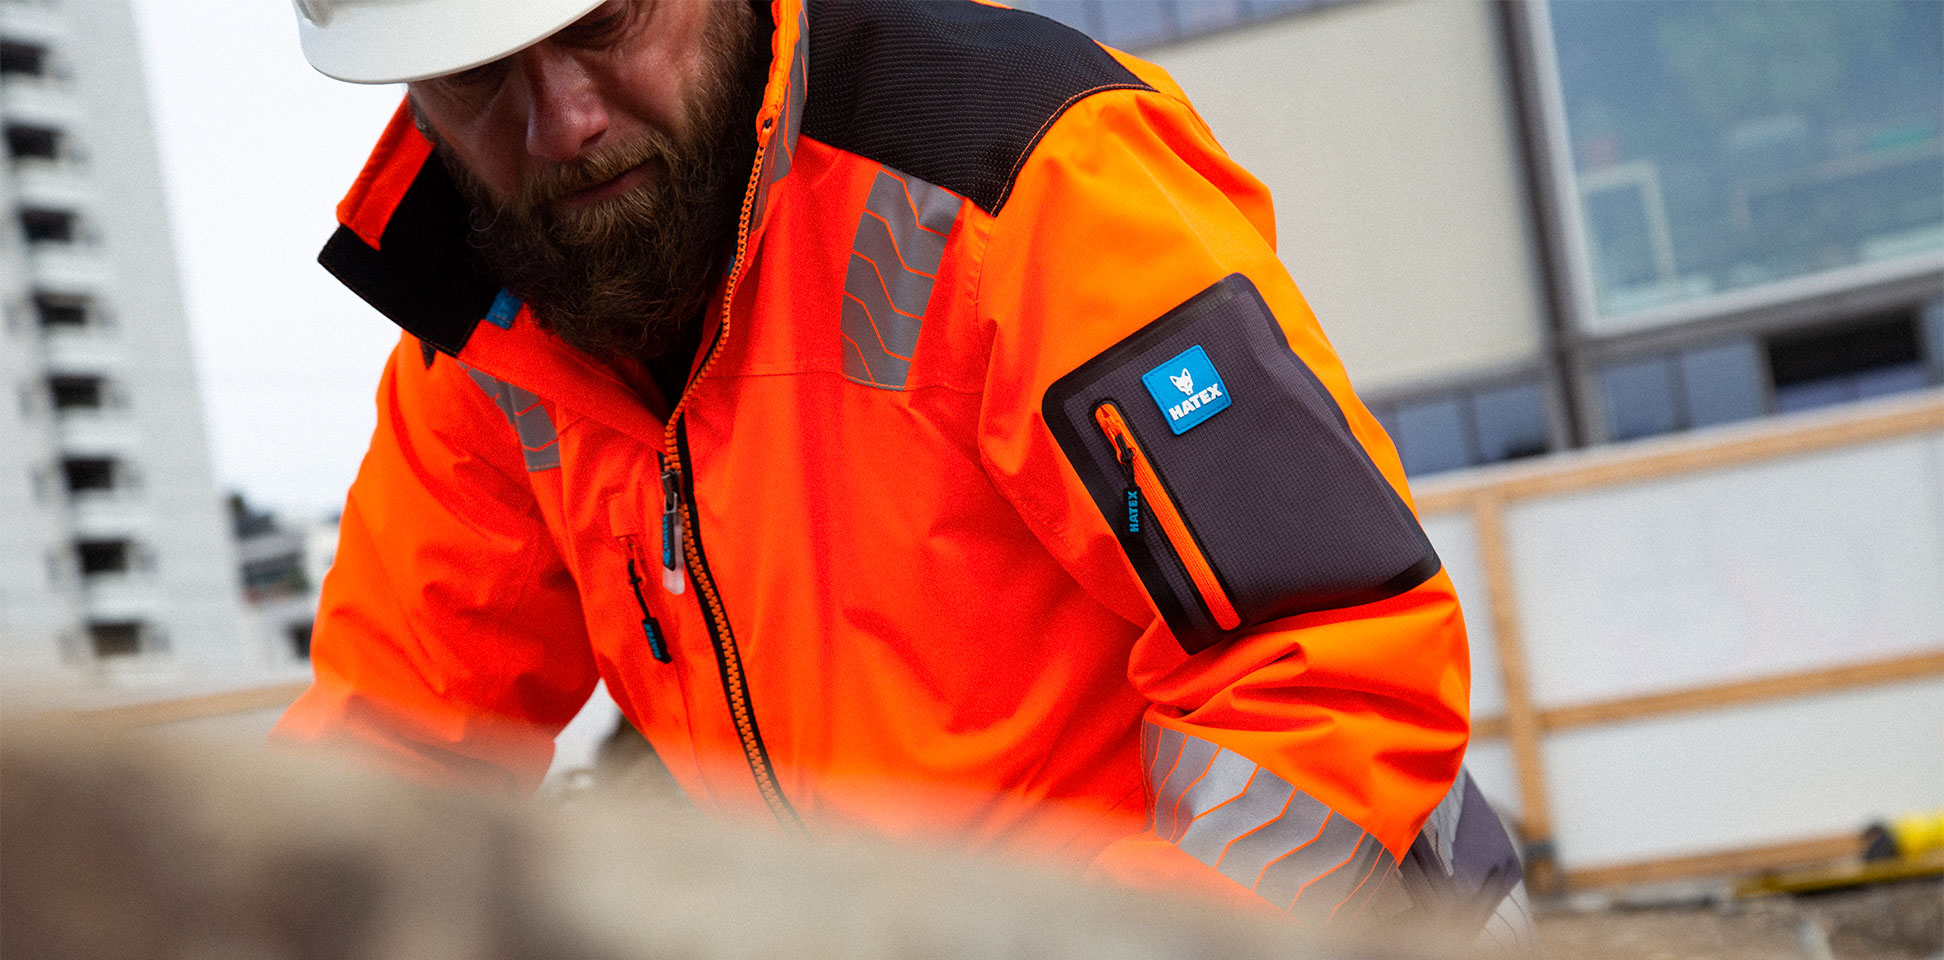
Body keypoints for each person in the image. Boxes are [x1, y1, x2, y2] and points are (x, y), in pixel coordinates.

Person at [275, 0, 1527, 937]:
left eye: (605, 24)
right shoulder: (490, 344)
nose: (564, 122)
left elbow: (1328, 662)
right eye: (478, 75)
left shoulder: (1015, 168)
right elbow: (388, 759)